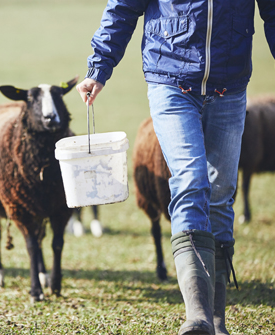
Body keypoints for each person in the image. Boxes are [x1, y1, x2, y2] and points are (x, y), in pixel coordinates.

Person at [76, 1, 275, 334]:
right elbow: (123, 7)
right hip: (171, 80)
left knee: (222, 193)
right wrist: (99, 66)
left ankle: (215, 320)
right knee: (191, 181)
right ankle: (196, 315)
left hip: (230, 85)